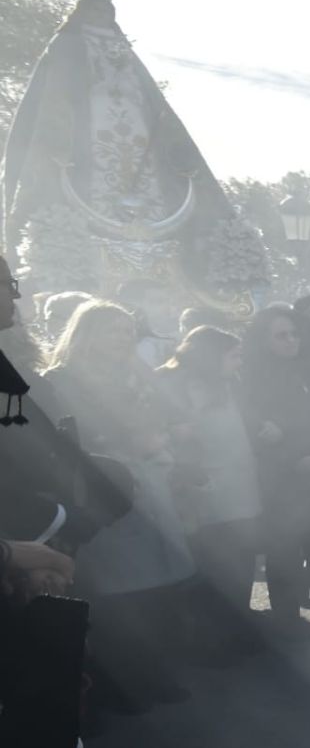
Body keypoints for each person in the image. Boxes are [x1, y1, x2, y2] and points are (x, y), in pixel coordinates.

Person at [43, 300, 197, 708]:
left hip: (151, 482)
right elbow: (63, 436)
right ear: (86, 333)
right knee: (123, 594)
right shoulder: (60, 379)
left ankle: (159, 673)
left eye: (128, 329)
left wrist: (164, 434)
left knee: (161, 586)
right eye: (114, 329)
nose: (124, 337)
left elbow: (162, 413)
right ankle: (126, 684)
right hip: (105, 490)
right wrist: (121, 443)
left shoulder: (136, 374)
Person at [154, 326, 264, 659]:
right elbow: (170, 434)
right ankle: (211, 643)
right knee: (213, 571)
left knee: (242, 567)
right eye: (233, 355)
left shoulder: (230, 384)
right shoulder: (175, 384)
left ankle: (241, 633)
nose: (239, 361)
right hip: (207, 496)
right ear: (211, 356)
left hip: (242, 489)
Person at [241, 306, 310, 629]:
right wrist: (293, 459)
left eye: (294, 333)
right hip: (280, 481)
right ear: (264, 340)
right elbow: (253, 430)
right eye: (281, 335)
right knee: (283, 551)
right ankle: (287, 619)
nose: (291, 341)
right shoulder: (250, 380)